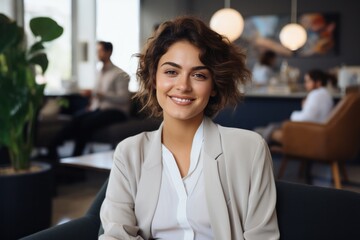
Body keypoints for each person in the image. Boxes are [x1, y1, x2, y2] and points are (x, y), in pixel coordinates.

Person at [99, 16, 279, 239]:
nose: (183, 86)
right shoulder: (130, 153)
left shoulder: (249, 149)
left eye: (198, 75)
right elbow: (115, 235)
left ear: (214, 86)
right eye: (171, 72)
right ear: (154, 78)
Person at [49, 41, 130, 157]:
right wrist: (91, 104)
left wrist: (101, 94)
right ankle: (53, 146)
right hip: (99, 109)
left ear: (109, 52)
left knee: (86, 123)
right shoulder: (99, 72)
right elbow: (97, 95)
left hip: (116, 111)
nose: (97, 54)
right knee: (77, 117)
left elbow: (124, 98)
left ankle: (76, 155)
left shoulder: (120, 74)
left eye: (100, 51)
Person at [259, 69, 334, 144]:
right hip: (313, 128)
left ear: (318, 82)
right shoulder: (325, 94)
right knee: (269, 128)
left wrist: (293, 115)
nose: (305, 84)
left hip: (308, 130)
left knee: (270, 127)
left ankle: (261, 146)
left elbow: (306, 118)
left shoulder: (316, 94)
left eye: (308, 81)